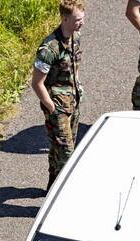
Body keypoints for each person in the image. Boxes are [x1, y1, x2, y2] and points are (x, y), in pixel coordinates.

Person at [31, 0, 85, 189]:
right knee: (67, 154)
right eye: (77, 19)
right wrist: (52, 108)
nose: (82, 23)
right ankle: (64, 193)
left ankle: (52, 185)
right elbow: (36, 83)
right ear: (64, 18)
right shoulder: (49, 48)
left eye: (82, 18)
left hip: (73, 102)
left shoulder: (75, 36)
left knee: (59, 148)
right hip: (57, 107)